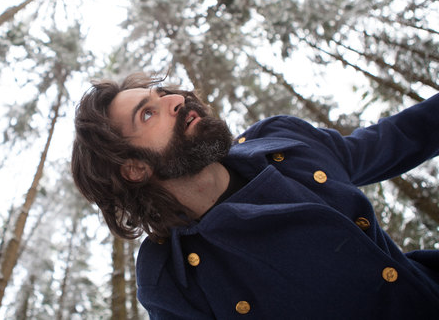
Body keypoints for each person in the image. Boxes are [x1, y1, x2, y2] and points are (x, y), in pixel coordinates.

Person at [70, 73, 439, 319]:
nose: (176, 100)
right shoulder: (170, 281)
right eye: (148, 114)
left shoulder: (284, 140)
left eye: (163, 93)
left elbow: (397, 139)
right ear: (135, 168)